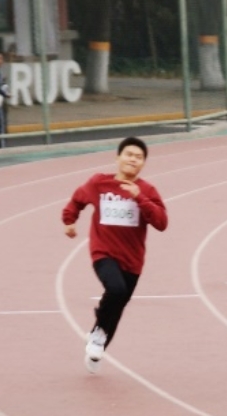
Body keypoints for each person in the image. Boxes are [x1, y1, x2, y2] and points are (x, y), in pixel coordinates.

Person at [62, 137, 169, 373]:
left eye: (139, 157)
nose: (133, 159)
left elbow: (162, 223)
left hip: (133, 260)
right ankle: (98, 334)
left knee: (118, 305)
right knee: (116, 290)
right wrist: (69, 220)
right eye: (129, 154)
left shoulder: (148, 190)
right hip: (103, 252)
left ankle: (98, 340)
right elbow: (77, 200)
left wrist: (139, 197)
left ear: (143, 164)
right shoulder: (99, 183)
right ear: (118, 157)